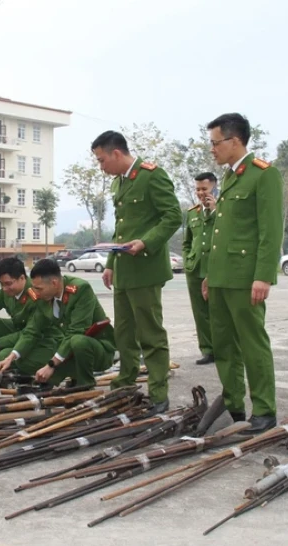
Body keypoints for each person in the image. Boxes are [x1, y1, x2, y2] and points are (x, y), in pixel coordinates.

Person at [201, 113, 284, 434]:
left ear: (234, 141)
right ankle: (234, 404)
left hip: (245, 279)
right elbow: (224, 234)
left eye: (215, 142)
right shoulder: (232, 177)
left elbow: (271, 230)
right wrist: (210, 274)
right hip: (221, 279)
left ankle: (264, 410)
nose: (212, 149)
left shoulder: (263, 175)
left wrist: (264, 276)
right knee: (223, 346)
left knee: (252, 344)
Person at [92, 130, 182, 412]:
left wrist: (146, 242)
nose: (101, 166)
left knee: (150, 335)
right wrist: (111, 264)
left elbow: (173, 216)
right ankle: (126, 381)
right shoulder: (120, 182)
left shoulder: (151, 175)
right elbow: (122, 230)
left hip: (145, 269)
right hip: (124, 270)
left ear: (116, 153)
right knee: (125, 334)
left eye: (102, 160)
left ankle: (158, 393)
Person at [0, 258, 114, 388]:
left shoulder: (81, 290)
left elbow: (76, 331)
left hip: (97, 350)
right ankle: (64, 375)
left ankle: (85, 385)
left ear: (54, 283)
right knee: (7, 354)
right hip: (67, 350)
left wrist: (51, 365)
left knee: (78, 341)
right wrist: (10, 358)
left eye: (39, 289)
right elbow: (32, 331)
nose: (36, 294)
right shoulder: (44, 297)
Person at [183, 173, 218, 365]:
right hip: (195, 268)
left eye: (204, 189)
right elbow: (187, 241)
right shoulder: (192, 212)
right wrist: (188, 259)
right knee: (200, 312)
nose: (201, 193)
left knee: (217, 310)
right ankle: (207, 350)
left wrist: (213, 211)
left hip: (215, 267)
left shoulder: (222, 210)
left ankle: (223, 349)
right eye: (197, 189)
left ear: (214, 188)